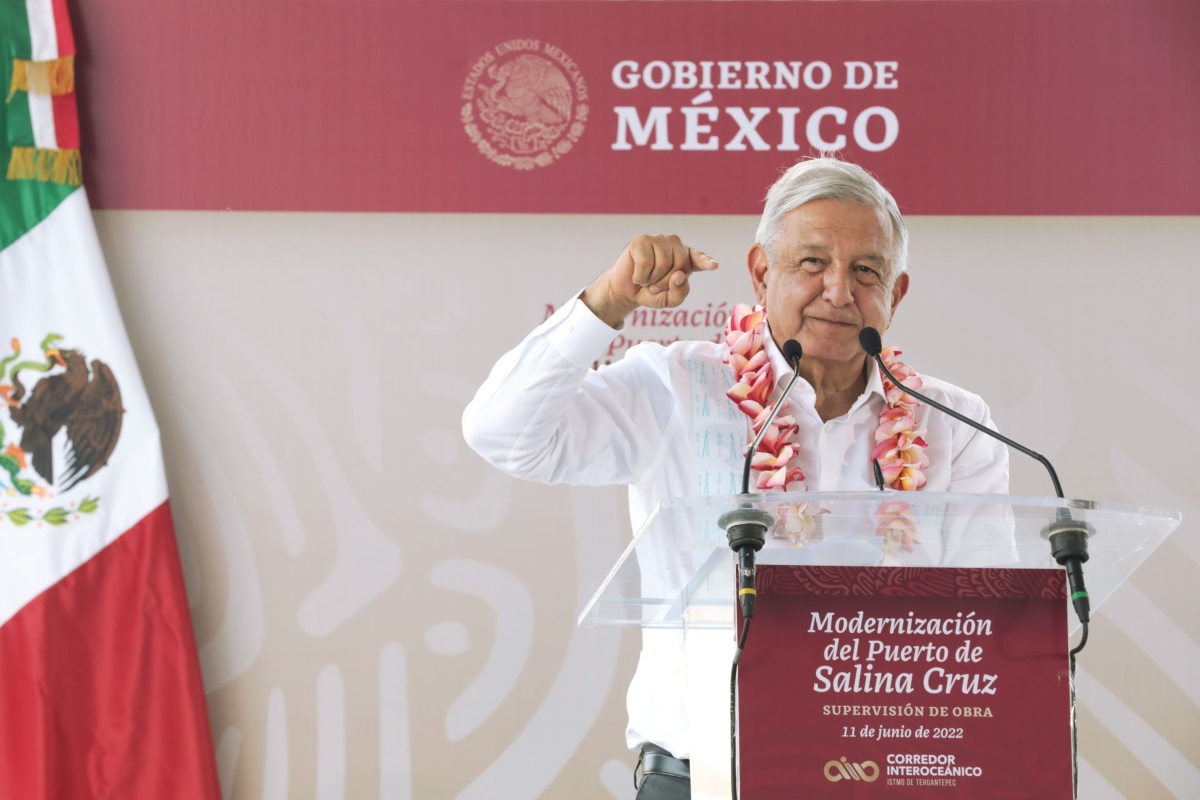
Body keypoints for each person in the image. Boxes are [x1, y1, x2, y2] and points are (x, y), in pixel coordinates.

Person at [462, 157, 1008, 799]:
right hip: (702, 781)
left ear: (897, 292)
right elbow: (500, 432)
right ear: (760, 272)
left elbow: (989, 620)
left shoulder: (955, 424)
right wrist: (608, 302)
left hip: (887, 779)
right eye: (811, 263)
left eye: (866, 269)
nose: (838, 290)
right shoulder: (674, 386)